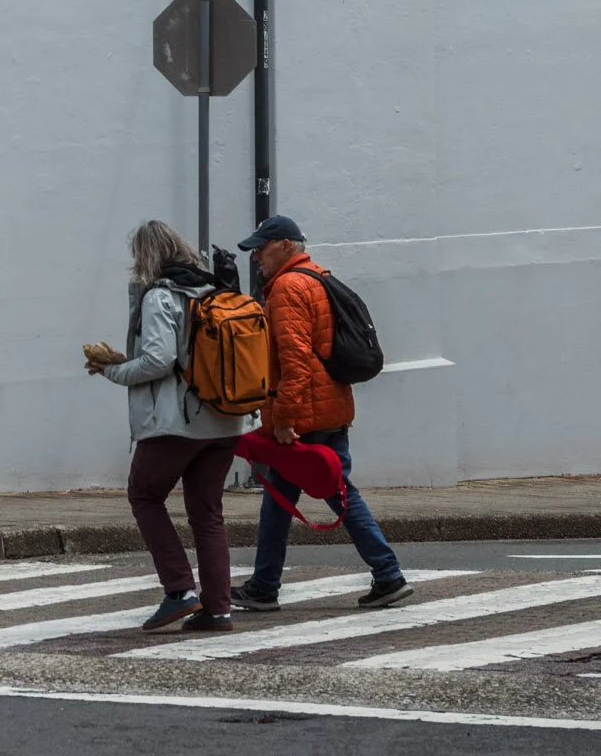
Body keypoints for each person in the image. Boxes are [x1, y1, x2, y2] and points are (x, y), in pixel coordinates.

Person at [232, 214, 410, 611]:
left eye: (262, 247)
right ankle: (269, 584)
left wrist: (283, 419)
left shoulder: (288, 287)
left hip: (305, 416)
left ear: (286, 246)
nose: (256, 255)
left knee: (322, 497)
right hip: (330, 407)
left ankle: (386, 573)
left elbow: (294, 361)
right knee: (299, 498)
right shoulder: (315, 278)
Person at [87, 220, 247, 633]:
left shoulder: (161, 296)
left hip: (179, 423)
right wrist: (127, 360)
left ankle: (179, 591)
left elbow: (159, 361)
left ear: (145, 257)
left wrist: (112, 370)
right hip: (225, 420)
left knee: (144, 494)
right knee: (208, 513)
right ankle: (218, 609)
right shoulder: (212, 290)